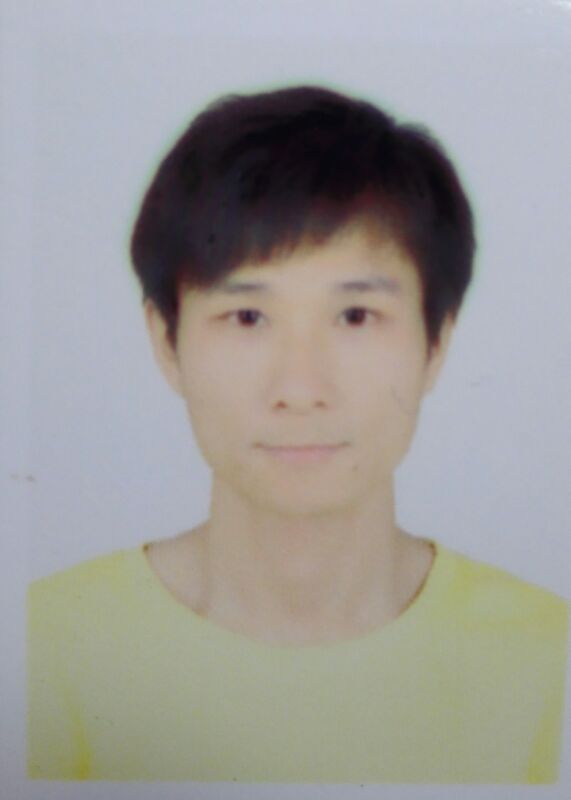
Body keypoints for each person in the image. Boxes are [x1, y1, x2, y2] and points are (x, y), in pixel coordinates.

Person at [27, 85, 569, 783]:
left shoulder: (548, 660)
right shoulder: (43, 646)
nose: (301, 388)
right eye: (248, 318)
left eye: (355, 317)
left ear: (435, 343)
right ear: (166, 342)